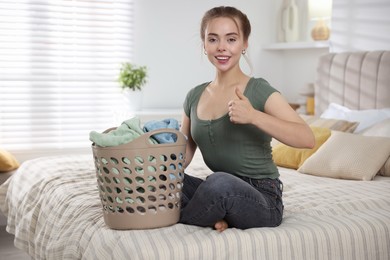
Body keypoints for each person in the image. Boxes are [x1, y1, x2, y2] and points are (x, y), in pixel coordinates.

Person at [179, 6, 315, 232]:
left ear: (244, 43)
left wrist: (254, 116)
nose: (222, 47)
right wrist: (154, 168)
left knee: (219, 182)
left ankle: (185, 217)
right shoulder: (194, 96)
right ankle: (215, 214)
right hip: (221, 189)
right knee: (168, 182)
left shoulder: (259, 89)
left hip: (263, 198)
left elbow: (307, 138)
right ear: (204, 44)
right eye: (213, 39)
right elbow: (182, 157)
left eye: (231, 39)